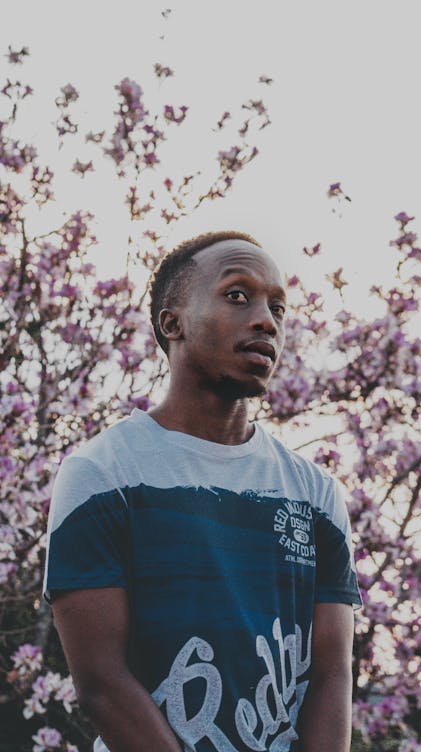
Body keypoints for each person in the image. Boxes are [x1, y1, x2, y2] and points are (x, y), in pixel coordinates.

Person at [43, 230, 362, 752]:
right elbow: (102, 682)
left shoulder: (316, 495)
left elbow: (331, 675)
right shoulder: (103, 475)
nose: (265, 319)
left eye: (277, 307)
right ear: (173, 322)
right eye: (238, 295)